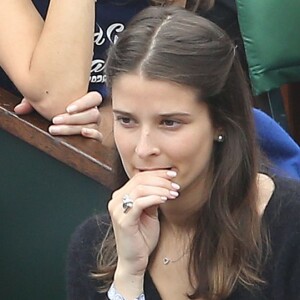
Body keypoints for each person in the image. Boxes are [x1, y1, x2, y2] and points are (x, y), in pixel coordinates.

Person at [67, 6, 300, 300]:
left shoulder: (291, 228)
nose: (143, 148)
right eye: (127, 120)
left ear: (222, 122)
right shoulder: (93, 245)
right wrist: (128, 276)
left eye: (170, 123)